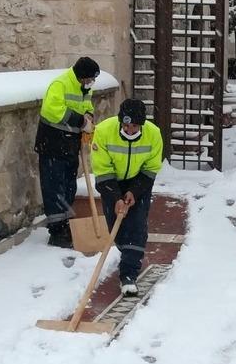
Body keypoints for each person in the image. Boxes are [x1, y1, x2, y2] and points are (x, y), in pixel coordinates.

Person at [91, 99, 163, 296]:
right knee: (118, 229)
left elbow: (151, 168)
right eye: (126, 125)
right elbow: (102, 170)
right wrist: (116, 197)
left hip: (138, 181)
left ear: (142, 124)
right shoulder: (104, 131)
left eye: (134, 126)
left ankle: (129, 274)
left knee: (137, 225)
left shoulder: (153, 134)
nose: (130, 130)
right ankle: (128, 253)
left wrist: (134, 192)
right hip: (111, 181)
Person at [35, 56, 99, 248]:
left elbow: (86, 106)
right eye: (88, 79)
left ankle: (67, 224)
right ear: (80, 76)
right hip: (52, 142)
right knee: (54, 186)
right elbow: (52, 110)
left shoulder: (84, 87)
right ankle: (56, 230)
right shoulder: (60, 84)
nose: (90, 84)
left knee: (69, 184)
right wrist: (80, 122)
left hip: (70, 144)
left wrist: (88, 117)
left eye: (92, 81)